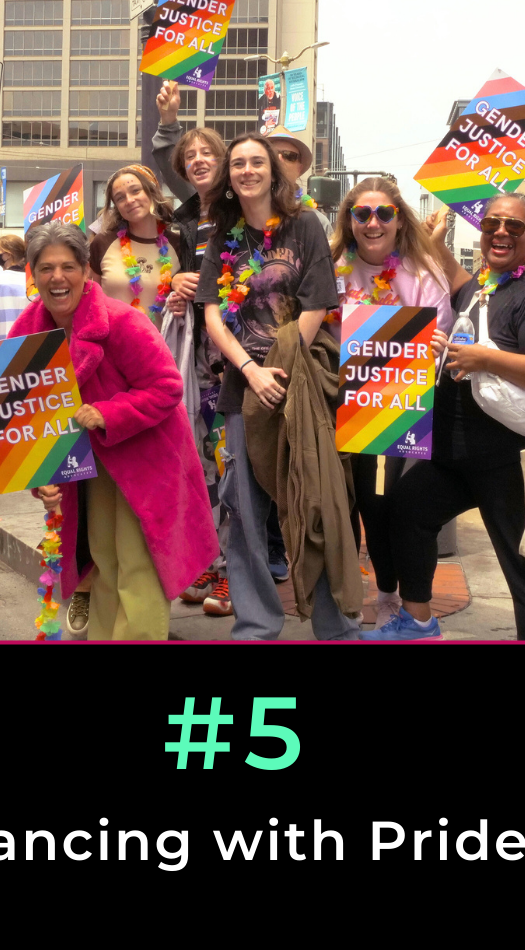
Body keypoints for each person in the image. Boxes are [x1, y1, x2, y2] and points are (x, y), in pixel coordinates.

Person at [377, 193, 525, 641]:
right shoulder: (482, 285)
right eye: (492, 225)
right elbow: (452, 275)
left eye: (514, 226)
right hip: (452, 456)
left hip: (507, 460)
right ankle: (416, 621)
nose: (501, 233)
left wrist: (486, 359)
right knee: (408, 510)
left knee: (524, 566)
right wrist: (436, 240)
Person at [15, 222, 218, 640]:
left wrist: (108, 413)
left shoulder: (122, 320)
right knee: (102, 561)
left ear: (86, 270)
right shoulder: (25, 335)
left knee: (137, 567)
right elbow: (23, 417)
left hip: (144, 460)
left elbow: (167, 387)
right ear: (32, 273)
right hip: (86, 468)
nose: (58, 277)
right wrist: (42, 478)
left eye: (68, 266)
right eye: (46, 267)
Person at [197, 133, 361, 640]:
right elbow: (211, 313)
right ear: (230, 176)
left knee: (314, 502)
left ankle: (335, 626)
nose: (247, 170)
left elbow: (317, 303)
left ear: (274, 172)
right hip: (242, 388)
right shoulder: (221, 231)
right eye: (238, 163)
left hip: (298, 384)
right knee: (244, 513)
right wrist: (251, 370)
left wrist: (281, 369)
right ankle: (256, 623)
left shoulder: (304, 224)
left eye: (257, 162)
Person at [326, 177, 457, 628]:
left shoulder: (422, 274)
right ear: (350, 221)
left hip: (403, 405)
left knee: (390, 502)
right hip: (343, 403)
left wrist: (438, 343)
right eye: (362, 214)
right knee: (361, 504)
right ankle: (376, 591)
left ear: (400, 220)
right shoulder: (332, 271)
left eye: (384, 213)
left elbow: (440, 334)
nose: (373, 222)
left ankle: (397, 597)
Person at [151, 85, 238, 617]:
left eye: (209, 154)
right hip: (194, 357)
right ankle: (209, 560)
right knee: (202, 461)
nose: (198, 161)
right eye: (191, 156)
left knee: (233, 466)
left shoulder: (238, 211)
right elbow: (161, 163)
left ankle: (234, 571)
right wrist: (179, 278)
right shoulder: (186, 217)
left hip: (237, 353)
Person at [89, 164, 179, 331]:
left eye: (136, 190)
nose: (129, 200)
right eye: (120, 198)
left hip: (163, 350)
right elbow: (89, 302)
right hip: (114, 349)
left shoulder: (179, 245)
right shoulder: (102, 243)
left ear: (151, 192)